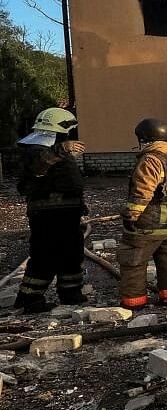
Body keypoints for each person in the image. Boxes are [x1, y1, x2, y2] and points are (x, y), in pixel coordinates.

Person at [14, 108, 88, 312]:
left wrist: (79, 203)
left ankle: (71, 293)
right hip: (48, 214)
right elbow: (39, 167)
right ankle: (29, 298)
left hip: (67, 211)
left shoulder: (53, 148)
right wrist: (60, 150)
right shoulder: (37, 150)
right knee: (45, 254)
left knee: (71, 253)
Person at [117, 118, 167, 309]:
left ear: (144, 138)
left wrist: (131, 216)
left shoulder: (150, 160)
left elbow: (143, 191)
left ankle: (134, 302)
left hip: (149, 224)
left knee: (133, 260)